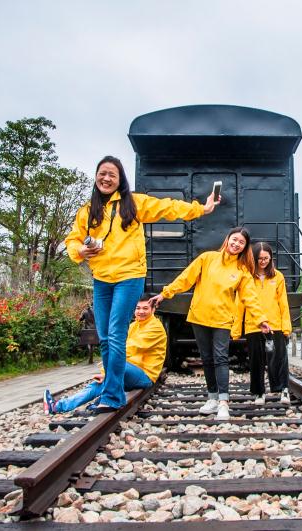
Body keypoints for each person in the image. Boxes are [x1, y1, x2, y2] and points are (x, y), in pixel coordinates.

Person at [64, 155, 218, 413]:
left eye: (112, 174)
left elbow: (167, 207)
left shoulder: (132, 204)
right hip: (102, 278)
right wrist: (80, 250)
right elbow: (72, 240)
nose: (106, 178)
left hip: (129, 275)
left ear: (119, 179)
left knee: (115, 333)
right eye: (102, 173)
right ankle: (112, 390)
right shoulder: (86, 211)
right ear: (96, 176)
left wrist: (200, 208)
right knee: (104, 336)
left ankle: (112, 397)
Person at [150, 227, 270, 421]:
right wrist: (165, 293)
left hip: (222, 320)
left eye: (241, 242)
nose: (236, 244)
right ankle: (212, 398)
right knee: (206, 359)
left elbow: (251, 299)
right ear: (228, 239)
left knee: (220, 358)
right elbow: (185, 279)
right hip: (199, 317)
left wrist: (260, 319)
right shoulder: (207, 259)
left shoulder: (242, 271)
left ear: (244, 247)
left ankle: (224, 402)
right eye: (234, 239)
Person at [44, 294, 167, 413]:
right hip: (129, 370)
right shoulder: (133, 326)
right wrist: (107, 372)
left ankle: (67, 405)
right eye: (138, 308)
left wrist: (108, 372)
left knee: (109, 377)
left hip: (145, 375)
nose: (141, 311)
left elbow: (128, 349)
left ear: (153, 309)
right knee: (102, 382)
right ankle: (58, 406)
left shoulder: (155, 327)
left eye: (145, 308)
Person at [231, 242, 292, 405]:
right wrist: (236, 329)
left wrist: (286, 327)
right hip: (253, 325)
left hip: (275, 325)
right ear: (253, 258)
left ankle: (283, 390)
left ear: (271, 258)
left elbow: (283, 303)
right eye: (259, 258)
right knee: (256, 360)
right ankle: (259, 393)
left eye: (266, 258)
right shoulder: (246, 277)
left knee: (279, 359)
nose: (263, 261)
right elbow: (240, 304)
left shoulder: (278, 277)